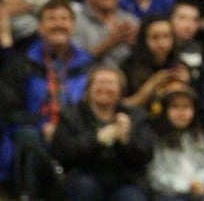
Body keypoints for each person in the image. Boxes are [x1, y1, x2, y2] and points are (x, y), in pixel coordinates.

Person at [50, 65, 154, 201]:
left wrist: (126, 140)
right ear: (88, 89)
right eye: (99, 83)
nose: (104, 88)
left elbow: (146, 155)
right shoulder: (71, 115)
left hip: (125, 180)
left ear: (121, 90)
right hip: (83, 176)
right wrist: (96, 139)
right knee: (85, 188)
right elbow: (61, 152)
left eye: (110, 83)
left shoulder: (136, 116)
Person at [146, 85, 204, 201]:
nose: (181, 113)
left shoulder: (198, 136)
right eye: (175, 107)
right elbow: (155, 177)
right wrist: (186, 186)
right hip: (168, 194)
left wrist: (200, 182)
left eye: (186, 107)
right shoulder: (157, 137)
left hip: (198, 192)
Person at [72, 0, 140, 67]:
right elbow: (73, 64)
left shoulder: (132, 21)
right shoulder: (75, 22)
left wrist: (135, 45)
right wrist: (108, 43)